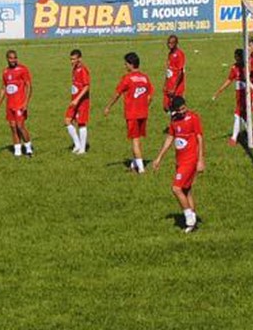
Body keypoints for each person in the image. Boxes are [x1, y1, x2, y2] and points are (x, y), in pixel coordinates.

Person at [153, 96, 205, 233]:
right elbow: (170, 138)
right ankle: (193, 221)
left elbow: (200, 138)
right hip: (180, 161)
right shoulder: (174, 121)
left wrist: (200, 160)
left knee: (176, 188)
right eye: (180, 109)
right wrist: (159, 157)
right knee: (186, 190)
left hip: (190, 160)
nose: (183, 111)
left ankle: (189, 219)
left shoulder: (193, 117)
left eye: (184, 108)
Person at [104, 52, 154, 174]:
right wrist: (144, 105)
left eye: (126, 63)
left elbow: (117, 94)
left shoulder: (127, 78)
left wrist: (108, 107)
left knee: (135, 140)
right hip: (143, 113)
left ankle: (141, 169)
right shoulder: (145, 77)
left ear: (131, 64)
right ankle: (133, 164)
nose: (125, 66)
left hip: (132, 114)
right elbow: (150, 95)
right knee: (136, 139)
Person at [0, 50, 34, 157]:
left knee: (20, 126)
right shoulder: (5, 72)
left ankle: (29, 148)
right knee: (13, 127)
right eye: (11, 58)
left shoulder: (22, 69)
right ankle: (17, 150)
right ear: (7, 59)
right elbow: (4, 88)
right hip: (10, 105)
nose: (13, 60)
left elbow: (29, 86)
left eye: (15, 58)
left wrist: (26, 103)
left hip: (20, 104)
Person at [211, 48, 245, 146]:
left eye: (237, 57)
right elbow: (229, 80)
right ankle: (251, 135)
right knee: (242, 115)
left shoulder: (247, 66)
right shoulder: (234, 67)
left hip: (247, 94)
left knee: (238, 114)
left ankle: (234, 137)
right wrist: (219, 91)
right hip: (239, 95)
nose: (236, 59)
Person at [65, 49, 90, 155]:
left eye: (74, 59)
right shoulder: (75, 69)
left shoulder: (83, 70)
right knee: (67, 121)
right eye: (71, 59)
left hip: (82, 101)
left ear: (80, 59)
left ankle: (82, 149)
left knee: (81, 123)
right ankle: (77, 144)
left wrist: (77, 99)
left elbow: (87, 86)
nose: (72, 61)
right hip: (74, 100)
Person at [163, 34, 186, 113]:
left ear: (176, 43)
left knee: (176, 107)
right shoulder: (170, 54)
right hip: (169, 85)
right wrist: (165, 84)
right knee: (166, 107)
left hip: (177, 87)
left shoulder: (180, 54)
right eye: (168, 43)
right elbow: (168, 70)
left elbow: (180, 72)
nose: (170, 45)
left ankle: (179, 123)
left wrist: (174, 88)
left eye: (172, 43)